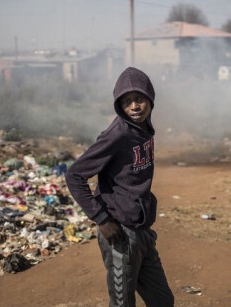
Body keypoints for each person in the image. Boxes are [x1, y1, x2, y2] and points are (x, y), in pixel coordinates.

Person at [65, 67, 174, 307]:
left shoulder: (145, 130)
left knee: (163, 301)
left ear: (150, 99)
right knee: (123, 302)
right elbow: (74, 175)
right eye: (126, 102)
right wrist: (101, 218)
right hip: (120, 233)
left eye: (139, 99)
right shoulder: (117, 135)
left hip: (142, 230)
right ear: (119, 106)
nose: (134, 106)